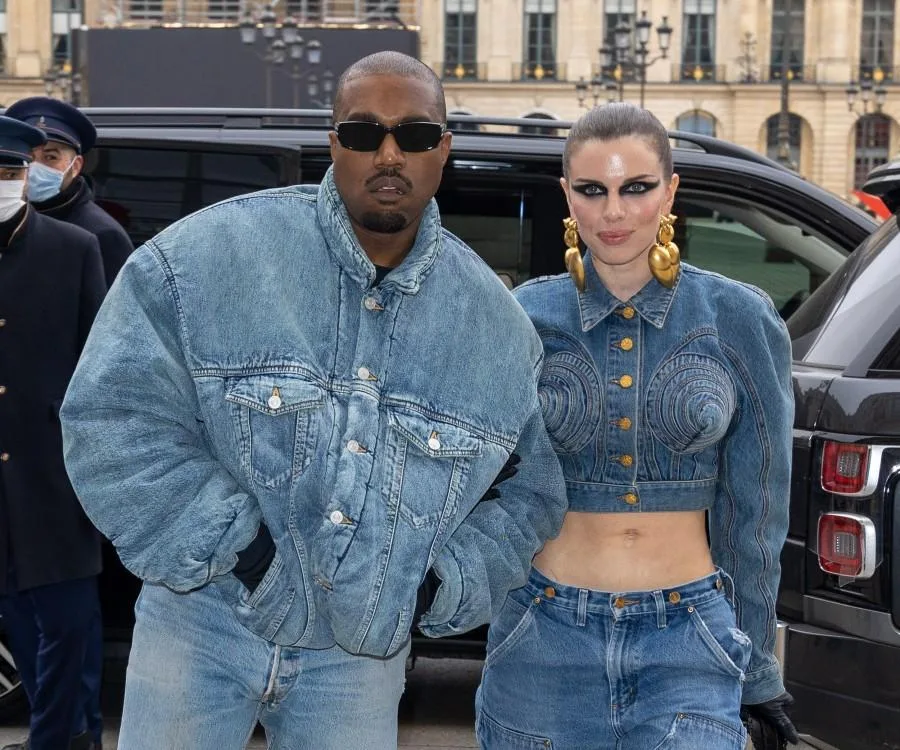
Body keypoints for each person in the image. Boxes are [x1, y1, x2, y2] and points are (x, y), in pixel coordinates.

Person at [59, 51, 567, 749]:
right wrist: (245, 554)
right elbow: (112, 417)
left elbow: (529, 497)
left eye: (415, 135)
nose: (389, 153)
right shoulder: (206, 258)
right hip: (199, 620)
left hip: (360, 661)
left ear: (443, 150)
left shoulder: (496, 330)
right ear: (334, 143)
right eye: (363, 134)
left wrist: (430, 589)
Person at [475, 103, 799, 750]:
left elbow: (757, 512)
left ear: (671, 190)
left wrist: (758, 670)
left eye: (637, 188)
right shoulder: (518, 318)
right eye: (593, 191)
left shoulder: (737, 318)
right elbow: (480, 492)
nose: (614, 212)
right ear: (567, 196)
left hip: (690, 638)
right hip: (542, 636)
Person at [5, 95, 133, 750]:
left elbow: (109, 363)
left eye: (40, 158)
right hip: (18, 469)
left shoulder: (92, 240)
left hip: (57, 474)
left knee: (66, 626)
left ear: (75, 163)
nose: (28, 170)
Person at [6, 96, 134, 288]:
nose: (35, 167)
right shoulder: (11, 220)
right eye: (29, 157)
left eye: (50, 157)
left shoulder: (102, 235)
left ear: (76, 166)